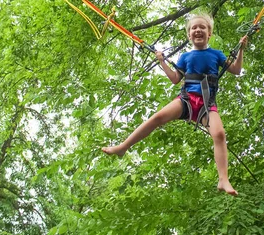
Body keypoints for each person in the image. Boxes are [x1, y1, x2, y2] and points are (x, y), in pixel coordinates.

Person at [102, 13, 247, 196]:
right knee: (157, 118)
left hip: (206, 104)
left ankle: (223, 179)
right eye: (194, 28)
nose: (198, 30)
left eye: (202, 27)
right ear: (189, 35)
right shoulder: (185, 57)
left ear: (209, 33)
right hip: (186, 99)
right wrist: (162, 61)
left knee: (219, 134)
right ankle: (123, 147)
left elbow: (236, 70)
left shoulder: (216, 55)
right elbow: (174, 79)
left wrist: (240, 50)